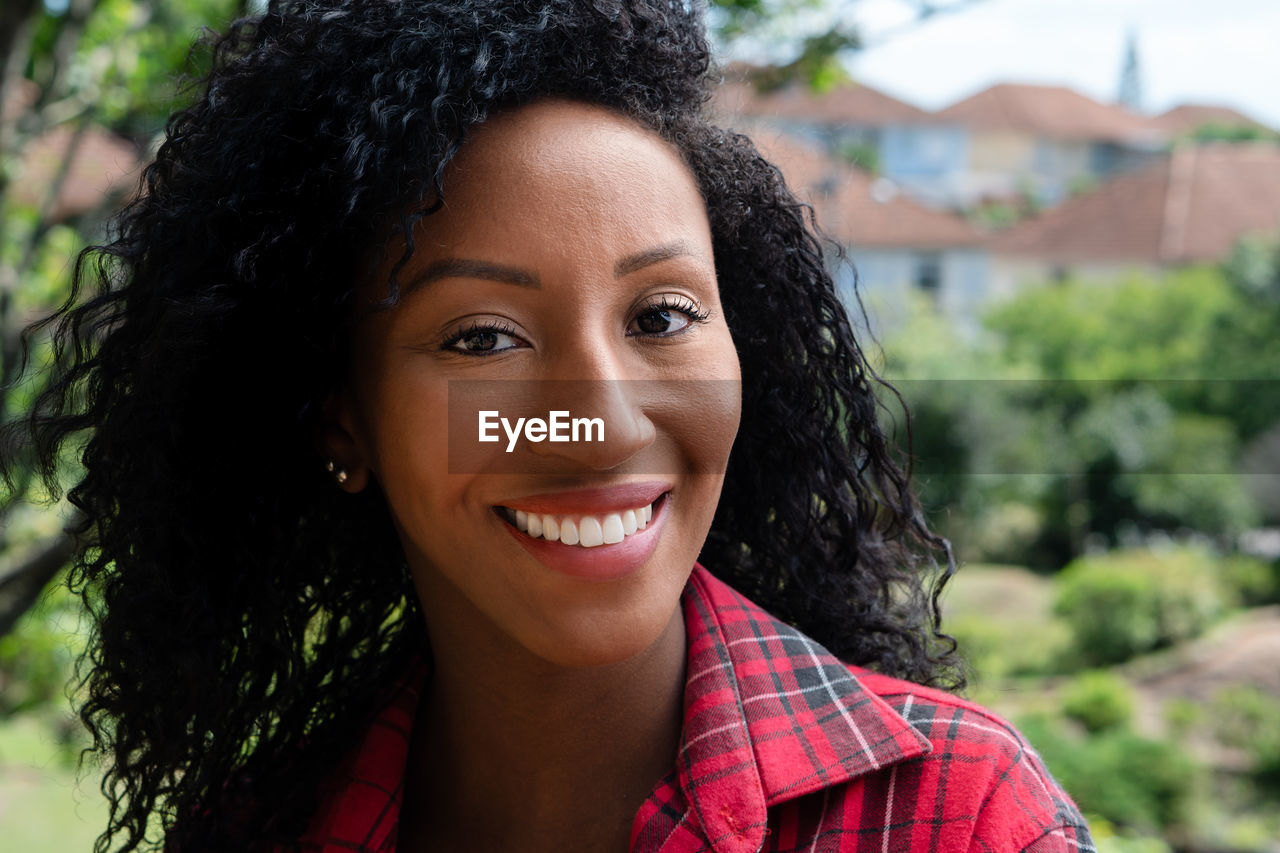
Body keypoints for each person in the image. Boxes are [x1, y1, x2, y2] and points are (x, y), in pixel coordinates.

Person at [14, 0, 1095, 850]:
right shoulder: (260, 830)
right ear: (340, 419)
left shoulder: (954, 816)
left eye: (661, 315)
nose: (601, 415)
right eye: (482, 338)